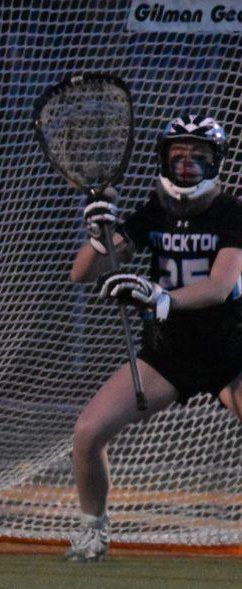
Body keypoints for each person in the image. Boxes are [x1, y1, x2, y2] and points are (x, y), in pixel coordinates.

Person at [67, 114, 242, 562]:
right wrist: (100, 236)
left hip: (232, 349)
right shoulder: (152, 212)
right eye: (177, 155)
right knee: (88, 431)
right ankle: (92, 531)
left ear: (216, 161)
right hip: (170, 353)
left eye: (197, 155)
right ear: (163, 159)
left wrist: (161, 297)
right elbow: (82, 272)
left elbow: (220, 287)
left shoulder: (232, 214)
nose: (186, 164)